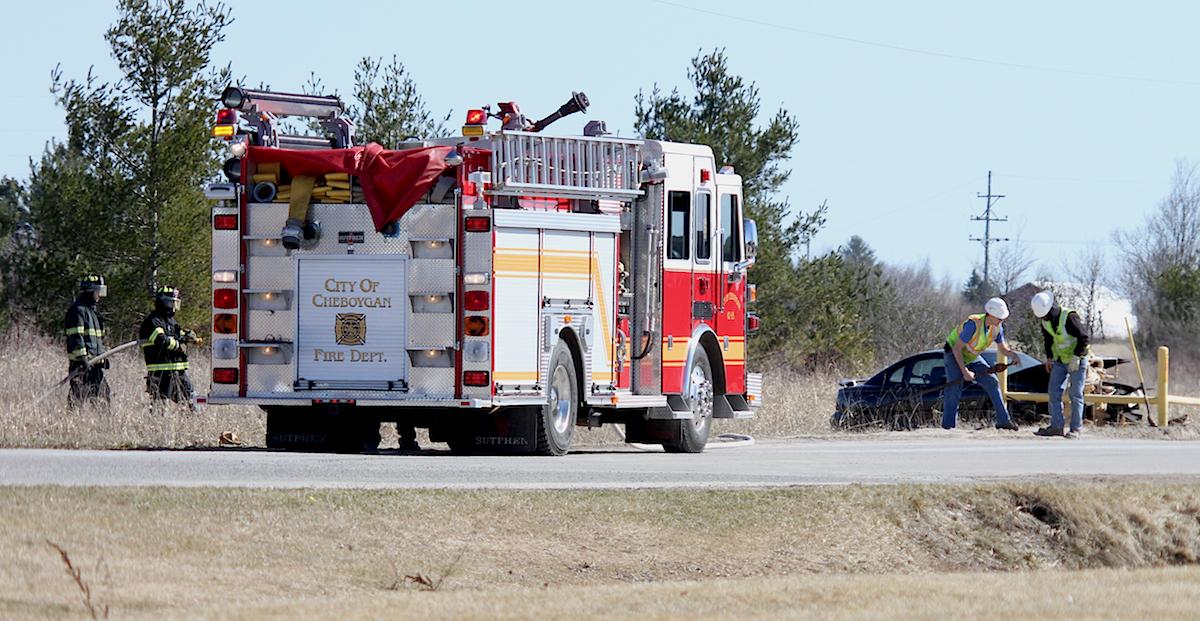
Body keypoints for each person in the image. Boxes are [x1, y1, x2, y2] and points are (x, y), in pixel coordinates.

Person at [942, 297, 1019, 431]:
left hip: (972, 357)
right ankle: (948, 427)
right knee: (954, 387)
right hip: (954, 354)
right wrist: (965, 371)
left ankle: (1003, 421)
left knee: (992, 383)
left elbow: (1003, 349)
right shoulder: (973, 325)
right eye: (999, 317)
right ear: (990, 314)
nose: (1002, 320)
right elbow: (956, 349)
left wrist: (1013, 355)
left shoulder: (997, 328)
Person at [1030, 291, 1090, 438]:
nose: (1044, 318)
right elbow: (1048, 340)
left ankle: (1075, 429)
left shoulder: (1069, 317)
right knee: (1054, 392)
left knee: (1075, 394)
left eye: (1045, 315)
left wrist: (1077, 356)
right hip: (1059, 360)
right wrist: (1049, 358)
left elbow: (1084, 337)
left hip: (1077, 359)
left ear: (1051, 309)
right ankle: (1057, 427)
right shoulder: (1045, 322)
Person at [139, 285, 199, 408]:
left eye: (175, 303)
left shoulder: (171, 321)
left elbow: (178, 335)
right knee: (160, 409)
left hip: (179, 373)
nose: (174, 307)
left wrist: (188, 337)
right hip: (161, 375)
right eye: (171, 303)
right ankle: (157, 427)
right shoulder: (153, 321)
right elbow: (162, 340)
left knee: (193, 402)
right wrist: (179, 345)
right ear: (163, 302)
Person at [64, 274, 111, 407]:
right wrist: (82, 358)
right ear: (90, 291)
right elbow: (76, 337)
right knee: (78, 399)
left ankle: (99, 426)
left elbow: (95, 341)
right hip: (81, 366)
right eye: (98, 291)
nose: (100, 296)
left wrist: (102, 358)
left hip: (95, 365)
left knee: (103, 398)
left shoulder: (91, 313)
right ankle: (72, 425)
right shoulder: (78, 311)